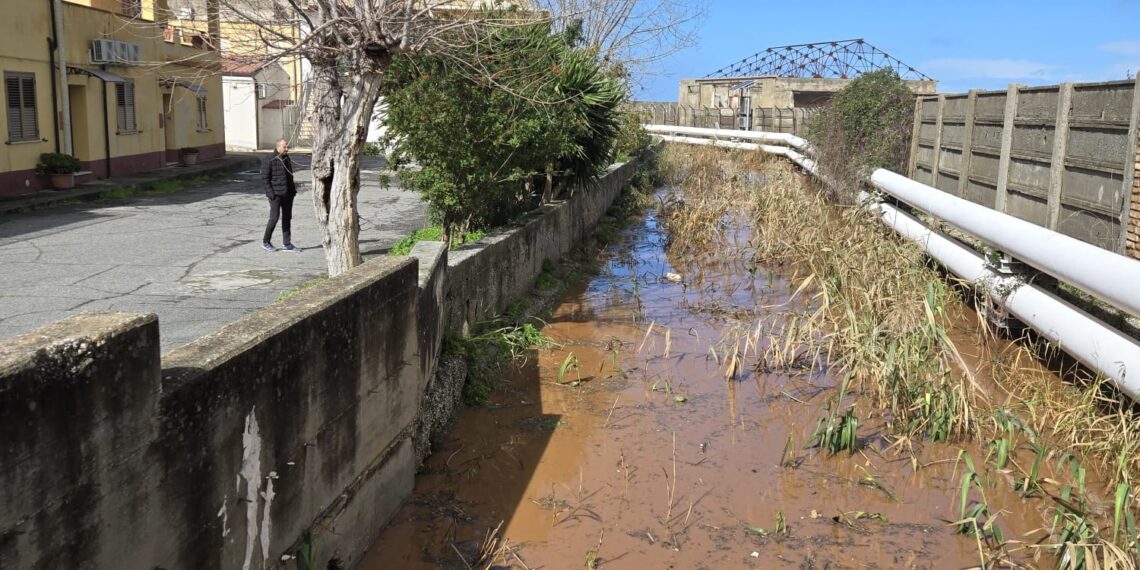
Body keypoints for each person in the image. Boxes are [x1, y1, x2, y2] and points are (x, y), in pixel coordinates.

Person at [261, 138, 300, 252]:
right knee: (274, 218)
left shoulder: (286, 158)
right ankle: (266, 241)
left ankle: (287, 243)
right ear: (278, 147)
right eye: (285, 147)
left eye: (287, 147)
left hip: (288, 194)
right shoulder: (269, 159)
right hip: (276, 195)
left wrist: (292, 191)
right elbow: (265, 179)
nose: (287, 149)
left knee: (287, 218)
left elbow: (290, 176)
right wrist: (271, 194)